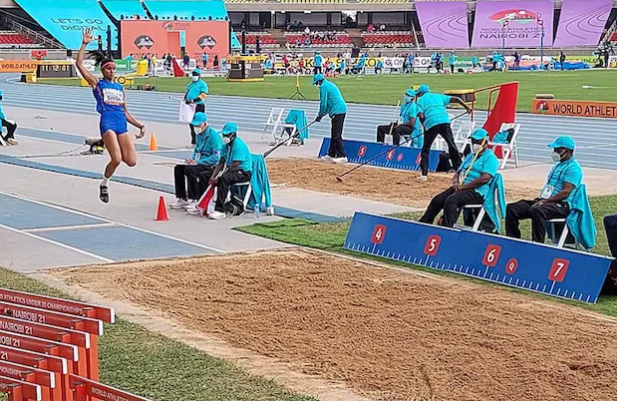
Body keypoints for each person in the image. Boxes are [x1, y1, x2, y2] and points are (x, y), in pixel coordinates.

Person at [76, 28, 146, 203]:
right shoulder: (97, 84)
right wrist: (84, 44)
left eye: (114, 68)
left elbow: (125, 112)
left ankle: (103, 142)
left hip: (121, 123)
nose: (112, 71)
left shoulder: (120, 88)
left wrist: (140, 125)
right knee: (117, 159)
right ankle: (104, 183)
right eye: (108, 69)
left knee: (131, 161)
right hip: (107, 122)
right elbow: (79, 65)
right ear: (103, 70)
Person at [506, 136, 583, 243]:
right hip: (545, 200)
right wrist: (542, 200)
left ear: (568, 151)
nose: (554, 152)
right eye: (554, 149)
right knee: (512, 208)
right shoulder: (557, 166)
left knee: (537, 210)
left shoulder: (573, 168)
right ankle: (512, 240)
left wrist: (545, 201)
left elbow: (566, 192)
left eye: (558, 149)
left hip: (561, 204)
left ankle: (538, 244)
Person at [420, 129, 499, 227]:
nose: (474, 144)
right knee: (438, 200)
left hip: (477, 191)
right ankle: (424, 224)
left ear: (485, 143)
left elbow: (484, 179)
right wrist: (456, 183)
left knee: (451, 201)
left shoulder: (491, 158)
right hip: (462, 187)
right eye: (473, 141)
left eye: (477, 142)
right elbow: (458, 172)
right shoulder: (470, 156)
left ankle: (447, 227)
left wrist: (464, 187)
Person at [416, 84, 472, 181]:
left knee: (426, 149)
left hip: (431, 123)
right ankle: (459, 170)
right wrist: (467, 107)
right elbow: (457, 99)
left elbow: (421, 116)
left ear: (421, 93)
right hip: (444, 121)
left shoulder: (420, 100)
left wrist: (425, 126)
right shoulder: (438, 96)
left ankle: (424, 174)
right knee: (451, 145)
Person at [171, 112, 222, 211]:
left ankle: (194, 198)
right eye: (195, 125)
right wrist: (192, 160)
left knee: (191, 171)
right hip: (199, 162)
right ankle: (182, 197)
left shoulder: (214, 136)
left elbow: (216, 157)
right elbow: (197, 151)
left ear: (204, 123)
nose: (196, 127)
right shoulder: (199, 136)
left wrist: (199, 162)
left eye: (198, 125)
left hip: (211, 164)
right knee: (179, 168)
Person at [208, 123, 253, 220]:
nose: (224, 137)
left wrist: (219, 178)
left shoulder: (239, 146)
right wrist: (213, 176)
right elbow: (221, 163)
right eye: (223, 135)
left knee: (224, 179)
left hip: (243, 172)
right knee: (209, 175)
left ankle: (220, 210)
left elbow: (234, 166)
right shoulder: (225, 146)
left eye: (227, 135)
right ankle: (206, 203)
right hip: (232, 170)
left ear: (233, 135)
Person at [313, 73, 347, 163]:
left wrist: (320, 115)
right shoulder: (329, 84)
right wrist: (321, 115)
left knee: (337, 135)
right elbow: (328, 104)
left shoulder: (323, 87)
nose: (317, 85)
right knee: (333, 134)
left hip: (339, 110)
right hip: (336, 110)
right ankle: (331, 154)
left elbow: (323, 104)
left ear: (319, 81)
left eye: (316, 83)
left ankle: (342, 156)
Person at [184, 68, 208, 146]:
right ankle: (194, 141)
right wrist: (185, 99)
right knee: (191, 124)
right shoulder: (190, 84)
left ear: (199, 75)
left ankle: (202, 142)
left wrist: (193, 100)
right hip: (190, 107)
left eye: (196, 75)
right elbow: (187, 93)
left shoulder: (202, 84)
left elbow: (203, 95)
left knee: (199, 125)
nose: (194, 76)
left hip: (198, 106)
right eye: (193, 74)